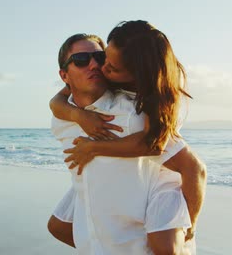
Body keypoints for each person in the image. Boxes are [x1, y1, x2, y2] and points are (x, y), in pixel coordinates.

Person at [48, 22, 206, 253]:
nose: (96, 65)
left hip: (159, 196)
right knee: (59, 226)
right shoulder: (63, 119)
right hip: (98, 213)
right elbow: (57, 103)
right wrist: (76, 114)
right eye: (81, 60)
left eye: (100, 58)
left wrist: (190, 226)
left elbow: (190, 166)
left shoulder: (136, 114)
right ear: (64, 75)